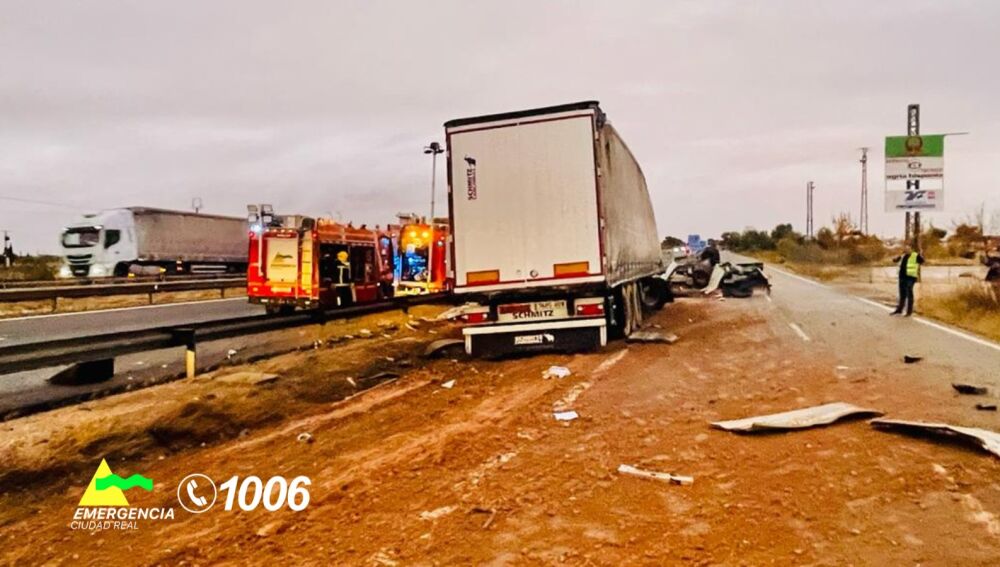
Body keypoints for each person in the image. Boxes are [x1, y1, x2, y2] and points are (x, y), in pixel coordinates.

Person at [891, 244, 924, 316]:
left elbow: (922, 261)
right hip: (902, 277)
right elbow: (895, 260)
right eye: (906, 248)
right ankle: (899, 309)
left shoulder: (915, 255)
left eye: (908, 248)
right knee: (902, 294)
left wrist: (921, 254)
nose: (907, 250)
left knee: (909, 293)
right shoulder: (903, 256)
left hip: (910, 277)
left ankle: (909, 311)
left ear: (911, 249)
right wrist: (896, 258)